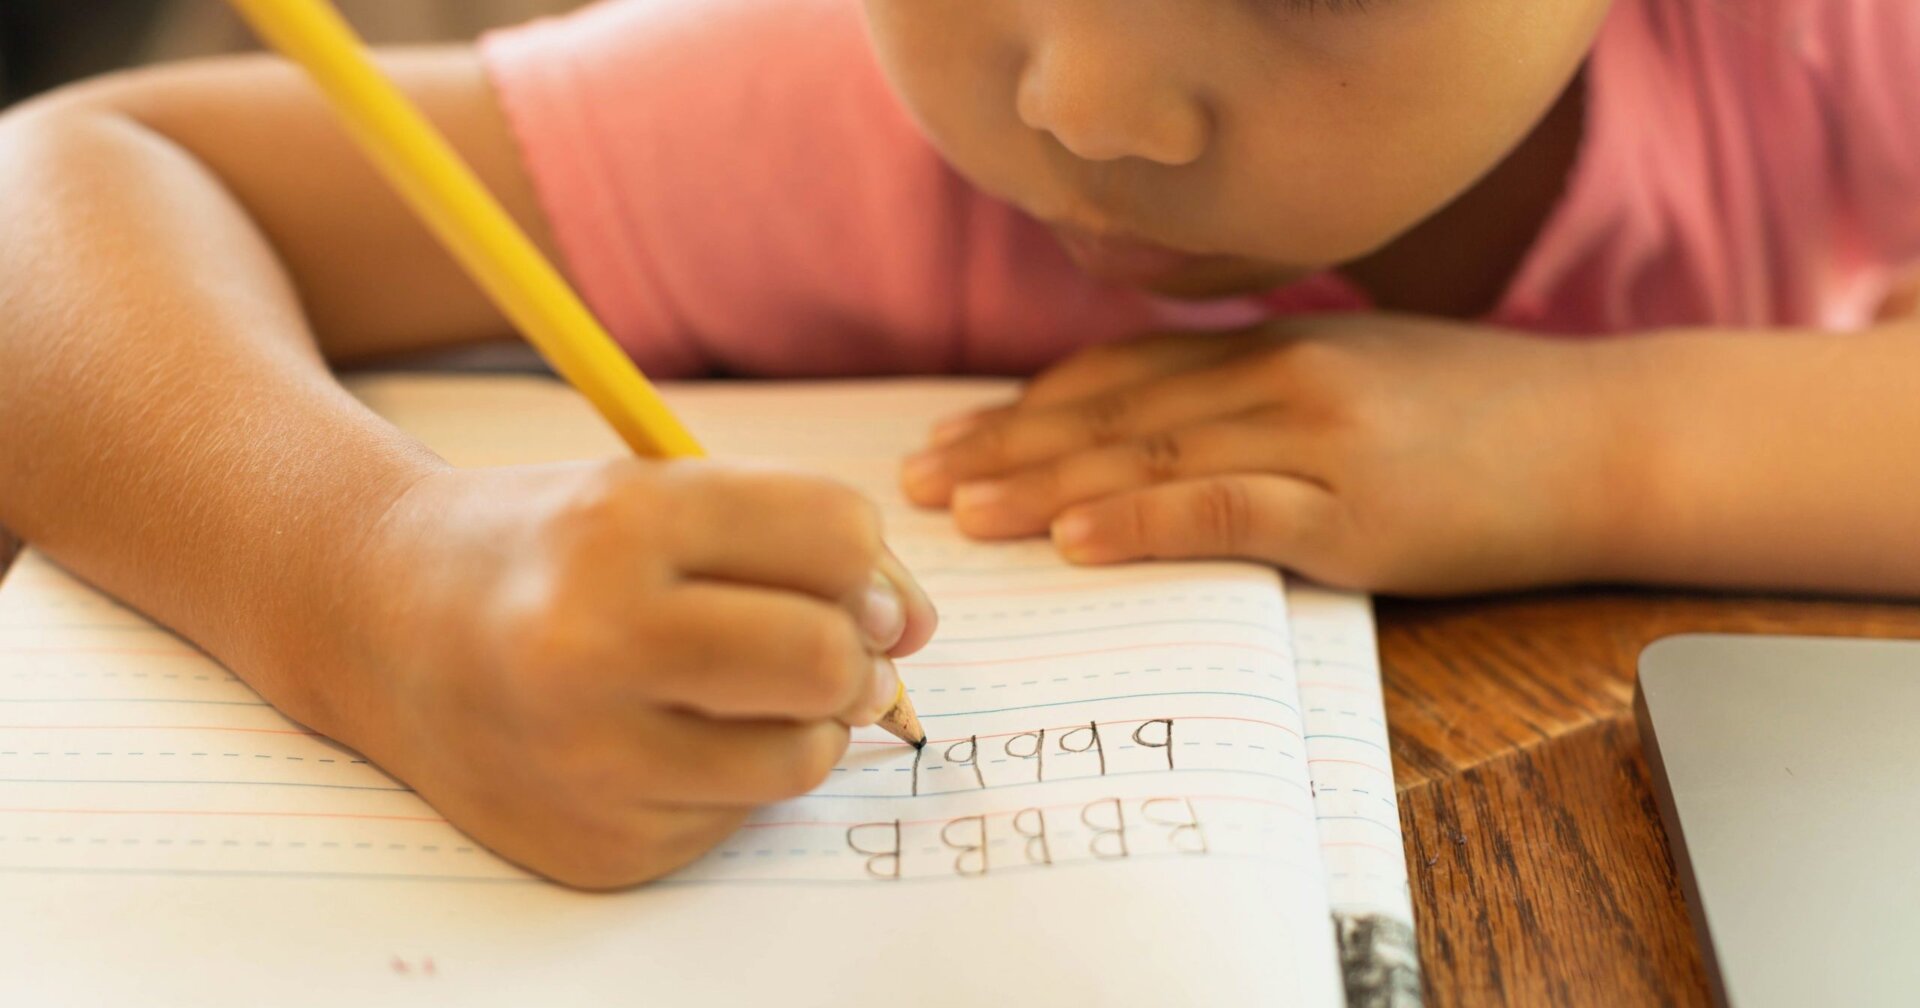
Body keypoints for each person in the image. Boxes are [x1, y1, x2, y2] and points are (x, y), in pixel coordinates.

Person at [1, 0, 1917, 888]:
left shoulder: (1824, 52)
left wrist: (1611, 443)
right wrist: (367, 578)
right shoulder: (814, 104)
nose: (1090, 96)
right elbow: (72, 177)